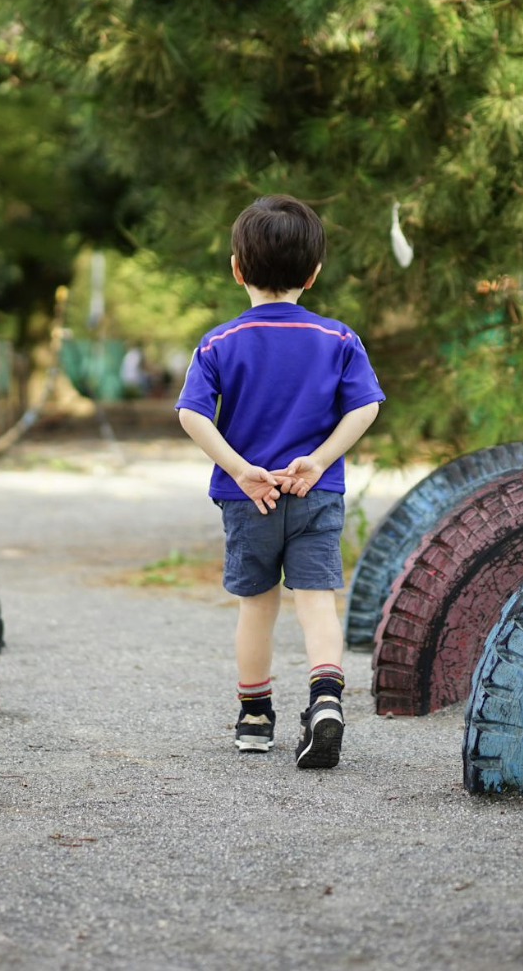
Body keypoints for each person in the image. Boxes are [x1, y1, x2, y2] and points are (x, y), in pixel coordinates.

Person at [175, 195, 384, 769]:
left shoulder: (219, 343)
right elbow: (364, 408)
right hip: (314, 491)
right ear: (313, 274)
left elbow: (191, 413)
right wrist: (317, 460)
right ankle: (325, 701)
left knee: (257, 607)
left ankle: (254, 717)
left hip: (251, 498)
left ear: (237, 269)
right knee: (318, 604)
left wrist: (240, 469)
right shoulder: (339, 340)